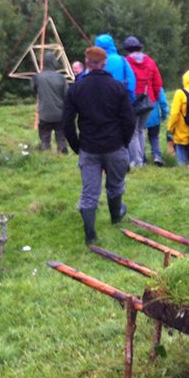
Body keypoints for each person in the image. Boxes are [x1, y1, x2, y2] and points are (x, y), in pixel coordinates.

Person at [62, 45, 136, 244]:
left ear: (86, 63)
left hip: (89, 147)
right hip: (115, 146)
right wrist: (123, 142)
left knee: (89, 193)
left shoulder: (76, 88)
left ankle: (90, 236)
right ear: (104, 64)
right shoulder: (117, 87)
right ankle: (115, 216)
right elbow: (129, 121)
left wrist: (77, 146)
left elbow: (67, 122)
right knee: (116, 185)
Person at [122, 36, 164, 166]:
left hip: (132, 101)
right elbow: (158, 83)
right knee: (140, 130)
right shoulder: (150, 62)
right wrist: (153, 98)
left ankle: (137, 161)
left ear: (127, 49)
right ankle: (141, 159)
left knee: (133, 131)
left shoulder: (126, 61)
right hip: (148, 100)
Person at [31, 50, 68, 154]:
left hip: (44, 113)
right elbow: (67, 94)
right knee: (61, 134)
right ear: (54, 62)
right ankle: (62, 148)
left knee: (45, 135)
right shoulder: (61, 78)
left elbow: (34, 90)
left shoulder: (37, 77)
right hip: (60, 113)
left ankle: (45, 150)